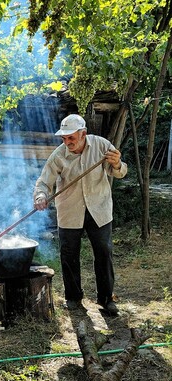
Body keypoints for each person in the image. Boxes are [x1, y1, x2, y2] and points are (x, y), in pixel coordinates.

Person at [33, 114, 127, 315]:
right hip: (70, 210)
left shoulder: (102, 146)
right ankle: (73, 297)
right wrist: (41, 196)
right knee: (69, 255)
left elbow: (119, 172)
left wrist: (118, 164)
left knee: (103, 252)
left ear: (83, 134)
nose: (67, 143)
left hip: (99, 209)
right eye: (64, 139)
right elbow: (44, 182)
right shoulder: (59, 155)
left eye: (71, 138)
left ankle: (106, 298)